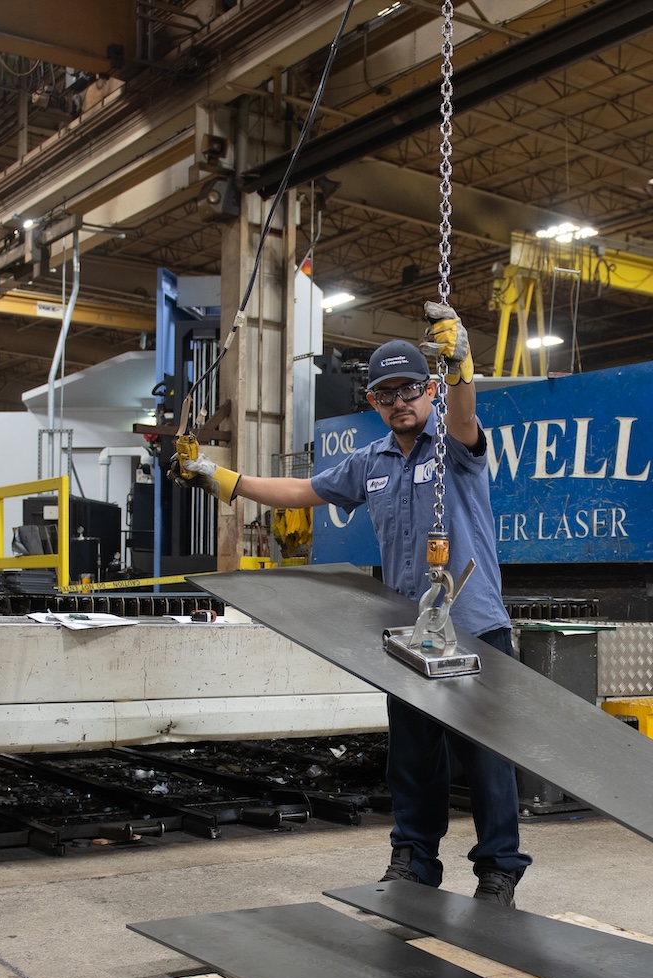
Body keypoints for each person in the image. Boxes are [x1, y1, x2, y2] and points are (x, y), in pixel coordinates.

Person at [170, 303, 530, 906]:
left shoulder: (454, 445)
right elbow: (300, 490)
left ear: (430, 389)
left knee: (489, 758)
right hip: (410, 635)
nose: (399, 402)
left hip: (474, 626)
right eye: (386, 394)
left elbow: (466, 415)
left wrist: (462, 363)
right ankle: (414, 861)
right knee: (412, 758)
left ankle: (498, 870)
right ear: (373, 402)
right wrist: (220, 478)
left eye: (409, 389)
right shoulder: (372, 462)